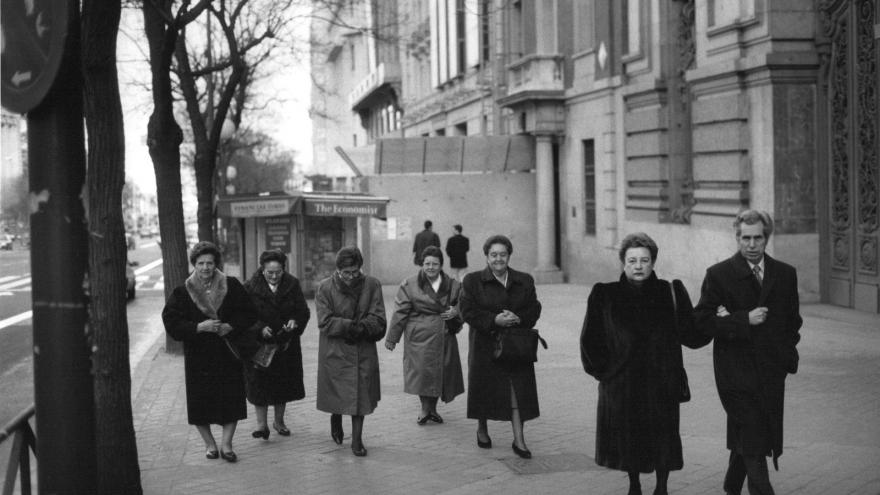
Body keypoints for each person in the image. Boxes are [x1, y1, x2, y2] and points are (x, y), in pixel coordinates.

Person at [580, 233, 710, 495]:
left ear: (653, 262)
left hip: (661, 383)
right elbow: (589, 340)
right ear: (623, 263)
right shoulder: (605, 294)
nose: (638, 266)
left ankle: (662, 487)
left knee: (663, 438)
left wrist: (715, 320)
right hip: (623, 384)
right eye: (632, 260)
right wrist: (607, 373)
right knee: (629, 440)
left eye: (644, 260)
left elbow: (691, 335)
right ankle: (634, 485)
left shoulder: (670, 292)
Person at [694, 210, 802, 495]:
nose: (751, 244)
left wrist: (786, 359)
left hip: (769, 373)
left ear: (766, 238)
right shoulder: (718, 275)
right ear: (737, 237)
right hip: (735, 375)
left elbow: (794, 322)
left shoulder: (785, 274)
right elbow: (702, 321)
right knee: (754, 434)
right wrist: (742, 319)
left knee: (752, 432)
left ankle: (732, 485)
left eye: (757, 238)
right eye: (745, 238)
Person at [162, 241, 258, 463]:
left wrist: (231, 325)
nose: (205, 268)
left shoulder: (231, 285)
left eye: (210, 263)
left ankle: (226, 445)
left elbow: (250, 313)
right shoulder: (182, 292)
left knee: (231, 399)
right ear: (194, 264)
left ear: (216, 264)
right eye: (201, 263)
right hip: (199, 356)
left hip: (227, 352)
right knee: (199, 403)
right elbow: (171, 322)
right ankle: (210, 444)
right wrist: (197, 327)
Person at [460, 235, 542, 459]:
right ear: (486, 257)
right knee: (484, 390)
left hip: (516, 346)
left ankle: (519, 439)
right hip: (485, 345)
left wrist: (518, 318)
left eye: (503, 254)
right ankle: (482, 428)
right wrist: (494, 320)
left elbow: (534, 308)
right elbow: (467, 311)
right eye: (493, 255)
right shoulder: (472, 281)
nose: (498, 259)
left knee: (517, 392)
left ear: (509, 256)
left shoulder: (524, 280)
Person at [315, 246, 387, 456]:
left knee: (361, 396)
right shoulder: (325, 288)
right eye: (346, 273)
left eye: (355, 272)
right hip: (335, 351)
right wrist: (349, 326)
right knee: (338, 393)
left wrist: (363, 328)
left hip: (362, 349)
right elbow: (324, 321)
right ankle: (336, 416)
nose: (351, 277)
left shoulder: (372, 284)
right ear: (337, 270)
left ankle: (356, 440)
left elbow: (379, 317)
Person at [386, 246, 465, 424]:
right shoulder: (410, 284)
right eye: (427, 263)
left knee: (440, 373)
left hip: (444, 335)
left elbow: (465, 304)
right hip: (419, 336)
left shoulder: (453, 285)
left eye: (435, 264)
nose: (431, 267)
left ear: (441, 265)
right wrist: (392, 338)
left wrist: (456, 312)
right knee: (422, 373)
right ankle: (424, 409)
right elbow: (400, 312)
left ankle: (433, 409)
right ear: (422, 264)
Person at [242, 250, 311, 440]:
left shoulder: (292, 284)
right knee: (259, 385)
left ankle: (279, 422)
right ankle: (261, 425)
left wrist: (295, 321)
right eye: (269, 272)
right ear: (262, 270)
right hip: (260, 346)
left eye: (278, 272)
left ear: (283, 269)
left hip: (285, 344)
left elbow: (302, 311)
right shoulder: (249, 287)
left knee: (283, 384)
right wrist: (259, 328)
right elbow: (243, 315)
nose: (274, 276)